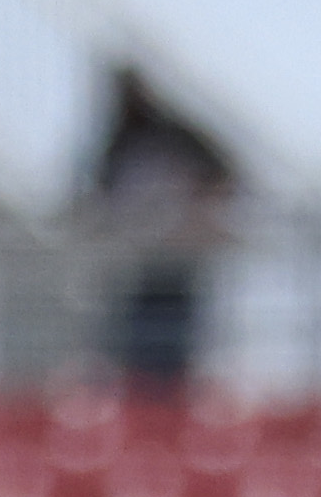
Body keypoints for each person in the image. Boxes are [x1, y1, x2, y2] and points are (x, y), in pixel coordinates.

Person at [81, 61, 239, 397]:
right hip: (136, 261)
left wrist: (191, 212)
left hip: (177, 258)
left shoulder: (178, 137)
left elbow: (225, 173)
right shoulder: (116, 145)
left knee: (172, 341)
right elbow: (95, 193)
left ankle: (170, 399)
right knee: (135, 342)